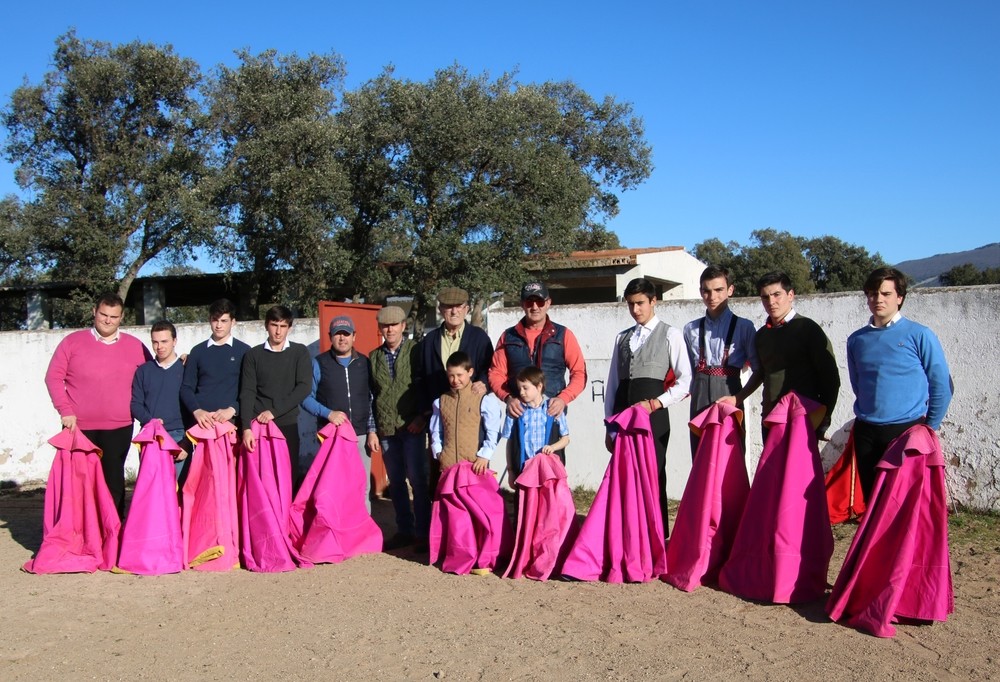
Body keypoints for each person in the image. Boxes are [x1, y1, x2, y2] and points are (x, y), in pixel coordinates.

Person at [847, 267, 952, 498]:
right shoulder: (856, 340)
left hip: (905, 431)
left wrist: (928, 428)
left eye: (886, 294)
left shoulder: (919, 335)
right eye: (873, 293)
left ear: (900, 298)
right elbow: (859, 384)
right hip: (866, 432)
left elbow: (942, 386)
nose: (878, 299)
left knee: (902, 504)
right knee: (872, 502)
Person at [44, 292, 152, 518]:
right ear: (94, 312)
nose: (107, 320)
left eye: (114, 316)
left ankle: (112, 534)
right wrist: (65, 410)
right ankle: (79, 533)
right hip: (79, 427)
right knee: (78, 484)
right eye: (103, 314)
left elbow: (154, 375)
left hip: (119, 426)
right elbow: (53, 377)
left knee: (113, 481)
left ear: (121, 317)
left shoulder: (136, 346)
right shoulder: (72, 342)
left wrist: (180, 361)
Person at [605, 277, 691, 538]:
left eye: (640, 303)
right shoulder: (622, 338)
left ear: (654, 301)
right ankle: (627, 537)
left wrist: (657, 403)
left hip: (653, 419)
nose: (635, 310)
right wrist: (608, 426)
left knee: (653, 475)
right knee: (624, 479)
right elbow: (613, 386)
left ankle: (656, 538)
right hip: (623, 419)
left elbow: (686, 380)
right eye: (631, 304)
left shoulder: (671, 334)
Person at [722, 271, 840, 439]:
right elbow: (761, 373)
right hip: (771, 419)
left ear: (790, 295)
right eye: (765, 297)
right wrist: (737, 398)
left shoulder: (808, 329)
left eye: (777, 295)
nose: (771, 302)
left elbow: (830, 378)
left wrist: (823, 418)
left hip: (802, 419)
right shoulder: (762, 335)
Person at [488, 280, 587, 474]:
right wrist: (508, 398)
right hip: (520, 418)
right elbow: (495, 373)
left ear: (548, 303)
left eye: (539, 302)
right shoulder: (507, 337)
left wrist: (563, 399)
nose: (534, 307)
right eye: (529, 301)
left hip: (551, 418)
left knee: (552, 478)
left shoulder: (563, 335)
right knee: (520, 477)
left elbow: (579, 373)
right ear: (521, 303)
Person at [429, 351, 507, 575]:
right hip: (449, 466)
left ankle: (482, 556)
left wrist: (484, 454)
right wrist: (438, 452)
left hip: (474, 465)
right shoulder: (440, 401)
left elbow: (493, 430)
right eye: (452, 375)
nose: (456, 380)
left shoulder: (485, 399)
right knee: (456, 516)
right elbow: (436, 430)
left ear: (471, 373)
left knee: (478, 513)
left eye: (460, 375)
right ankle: (457, 554)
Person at [301, 315, 380, 513]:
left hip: (361, 435)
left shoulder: (365, 363)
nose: (342, 338)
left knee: (362, 487)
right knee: (335, 487)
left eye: (346, 334)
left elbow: (372, 398)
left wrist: (372, 430)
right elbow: (305, 398)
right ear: (330, 337)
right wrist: (328, 414)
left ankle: (362, 534)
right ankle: (338, 535)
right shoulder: (318, 363)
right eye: (338, 335)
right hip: (332, 437)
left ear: (354, 336)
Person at [369, 305, 431, 552]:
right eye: (385, 325)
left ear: (403, 326)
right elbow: (372, 396)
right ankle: (404, 530)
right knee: (395, 482)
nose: (389, 329)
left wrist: (422, 416)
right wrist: (372, 429)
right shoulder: (373, 357)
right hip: (386, 428)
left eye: (394, 325)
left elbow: (426, 386)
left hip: (412, 425)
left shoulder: (416, 351)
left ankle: (424, 532)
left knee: (418, 479)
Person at [682, 265, 759, 456]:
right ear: (701, 292)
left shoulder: (744, 327)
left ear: (730, 290)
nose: (712, 296)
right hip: (699, 398)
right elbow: (686, 371)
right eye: (706, 291)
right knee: (701, 457)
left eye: (719, 290)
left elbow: (759, 370)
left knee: (730, 459)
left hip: (729, 396)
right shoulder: (690, 329)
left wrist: (737, 398)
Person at [239, 305, 312, 486]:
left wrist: (274, 411)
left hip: (287, 424)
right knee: (262, 479)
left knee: (289, 477)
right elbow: (247, 391)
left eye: (283, 326)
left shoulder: (299, 352)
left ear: (290, 327)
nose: (278, 331)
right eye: (274, 325)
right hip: (259, 426)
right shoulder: (253, 355)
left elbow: (304, 388)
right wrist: (246, 427)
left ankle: (286, 515)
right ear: (266, 325)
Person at [179, 298, 251, 435]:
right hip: (202, 425)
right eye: (215, 320)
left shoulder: (244, 351)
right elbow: (186, 388)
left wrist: (233, 410)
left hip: (231, 424)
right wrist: (197, 411)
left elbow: (249, 389)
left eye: (224, 321)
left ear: (233, 322)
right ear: (209, 320)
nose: (218, 325)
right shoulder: (197, 352)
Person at [130, 320, 189, 479]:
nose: (159, 346)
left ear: (174, 341)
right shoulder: (143, 371)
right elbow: (136, 405)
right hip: (150, 437)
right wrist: (151, 422)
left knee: (178, 493)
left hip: (179, 435)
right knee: (152, 492)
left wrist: (187, 443)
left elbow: (194, 406)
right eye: (155, 342)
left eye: (164, 341)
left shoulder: (187, 368)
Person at [501, 366, 570, 488]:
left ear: (539, 386)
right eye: (519, 388)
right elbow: (510, 443)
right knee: (527, 505)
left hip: (548, 472)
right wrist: (511, 471)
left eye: (525, 388)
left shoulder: (553, 408)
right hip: (524, 471)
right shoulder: (516, 411)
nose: (521, 392)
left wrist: (552, 447)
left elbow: (566, 439)